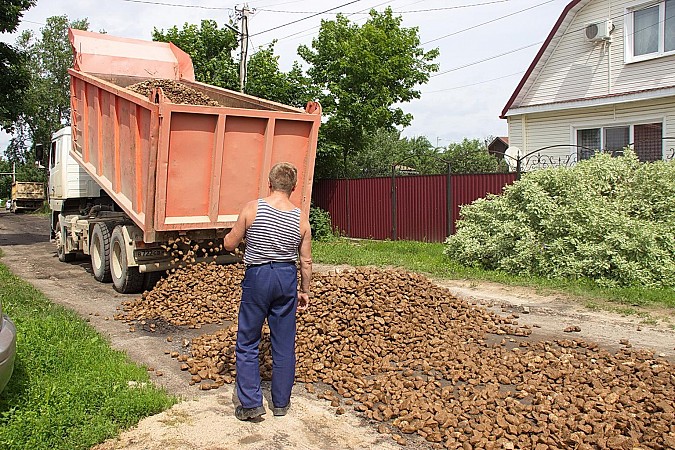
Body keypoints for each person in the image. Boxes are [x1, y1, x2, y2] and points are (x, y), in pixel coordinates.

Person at [223, 162, 312, 421]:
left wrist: (230, 239)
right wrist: (304, 290)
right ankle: (281, 404)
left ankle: (251, 404)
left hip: (258, 276)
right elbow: (305, 261)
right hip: (286, 277)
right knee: (283, 343)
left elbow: (230, 244)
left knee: (248, 340)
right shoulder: (301, 218)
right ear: (293, 188)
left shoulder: (253, 208)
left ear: (269, 184)